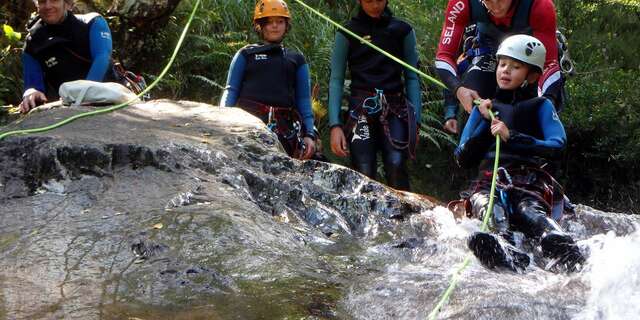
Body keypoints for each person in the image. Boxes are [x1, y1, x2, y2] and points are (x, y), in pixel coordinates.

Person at [454, 34, 584, 273]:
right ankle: (504, 247)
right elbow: (463, 157)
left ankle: (555, 240)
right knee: (489, 207)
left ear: (532, 75)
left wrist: (512, 137)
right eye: (502, 64)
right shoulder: (484, 108)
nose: (505, 71)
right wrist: (485, 126)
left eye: (515, 67)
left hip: (529, 180)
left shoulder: (541, 106)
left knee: (529, 211)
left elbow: (557, 145)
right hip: (489, 183)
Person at [328, 0, 421, 191]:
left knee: (396, 165)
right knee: (363, 171)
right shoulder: (348, 31)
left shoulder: (402, 30)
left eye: (379, 0)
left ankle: (402, 218)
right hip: (361, 109)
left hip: (395, 108)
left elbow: (412, 78)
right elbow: (336, 80)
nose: (375, 5)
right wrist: (335, 125)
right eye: (369, 0)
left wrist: (415, 122)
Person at [436, 0, 564, 134]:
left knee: (536, 111)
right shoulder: (462, 3)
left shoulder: (540, 5)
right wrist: (458, 89)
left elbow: (549, 63)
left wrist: (548, 100)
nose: (496, 7)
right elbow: (444, 56)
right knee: (474, 104)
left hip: (529, 56)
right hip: (487, 49)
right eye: (488, 0)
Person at [220, 0, 315, 160]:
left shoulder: (296, 59)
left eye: (280, 21)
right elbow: (231, 90)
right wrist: (221, 120)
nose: (275, 26)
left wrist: (309, 134)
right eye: (269, 22)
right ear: (261, 25)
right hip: (247, 125)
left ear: (286, 25)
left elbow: (303, 100)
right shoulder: (246, 55)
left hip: (284, 130)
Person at [20, 0, 113, 113]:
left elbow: (102, 57)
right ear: (37, 6)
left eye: (54, 0)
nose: (48, 6)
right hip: (67, 106)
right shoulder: (33, 41)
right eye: (42, 1)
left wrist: (83, 95)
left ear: (67, 4)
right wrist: (31, 93)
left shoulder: (92, 23)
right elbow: (32, 85)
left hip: (109, 95)